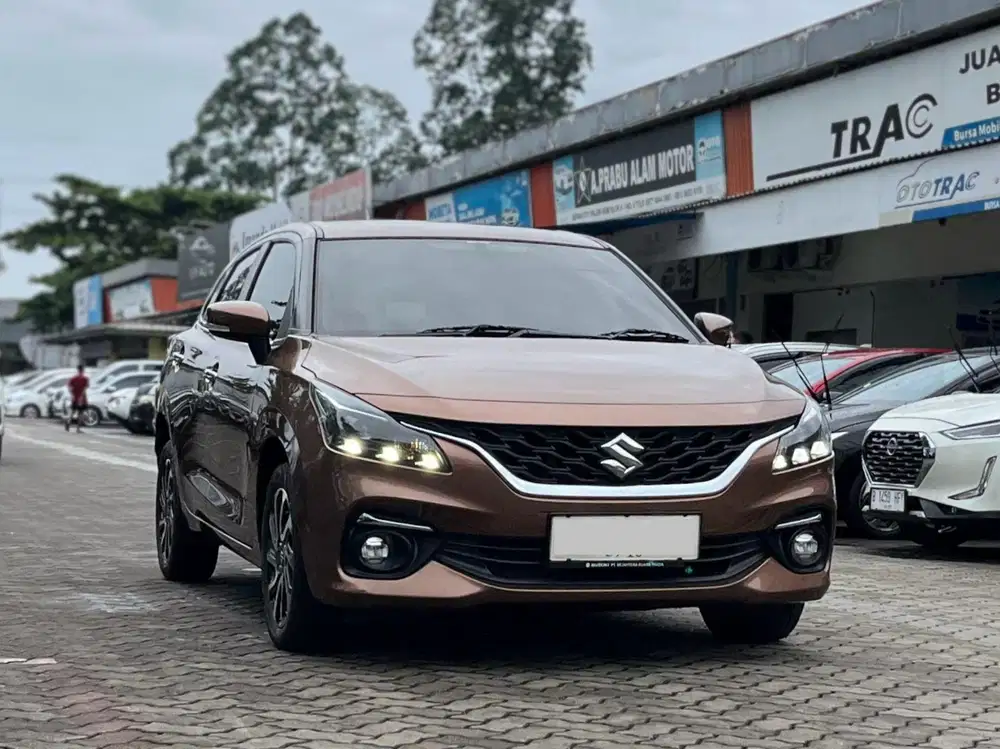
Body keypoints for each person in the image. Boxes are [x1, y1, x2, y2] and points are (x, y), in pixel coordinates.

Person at [65, 365, 89, 433]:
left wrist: (72, 394)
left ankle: (68, 422)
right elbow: (84, 389)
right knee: (80, 413)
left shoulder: (73, 378)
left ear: (78, 370)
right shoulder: (85, 379)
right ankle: (78, 428)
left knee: (72, 412)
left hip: (74, 398)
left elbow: (69, 387)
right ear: (83, 370)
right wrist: (81, 396)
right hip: (82, 398)